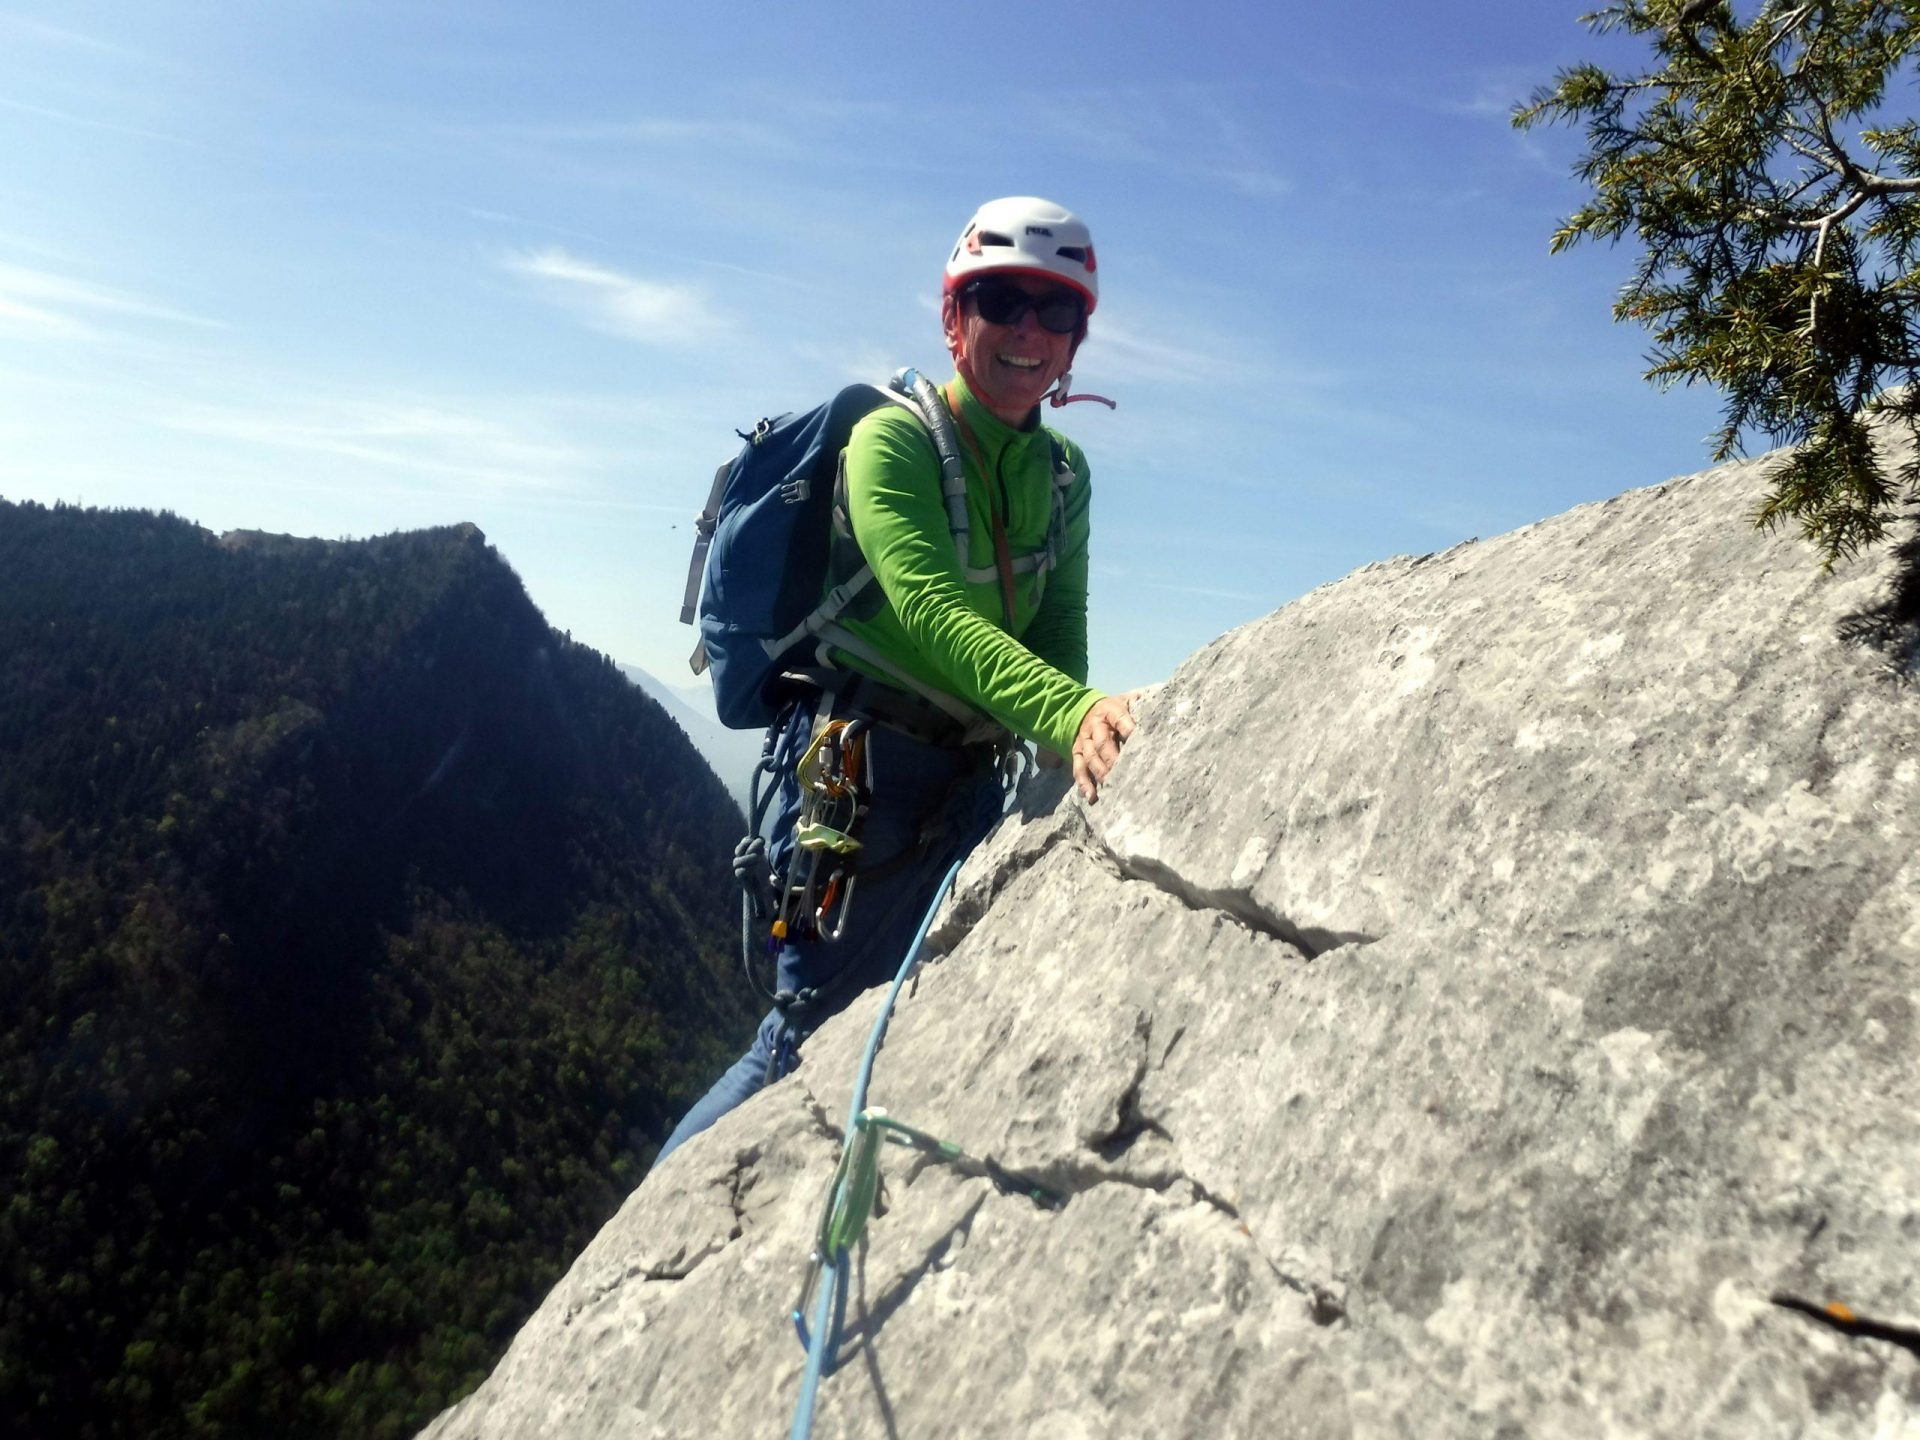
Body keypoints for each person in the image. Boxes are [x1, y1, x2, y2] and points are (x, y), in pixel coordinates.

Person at [652, 196, 1134, 1166]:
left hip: (967, 782)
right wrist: (1069, 711)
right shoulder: (893, 441)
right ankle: (639, 1256)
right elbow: (928, 608)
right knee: (802, 1039)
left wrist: (1064, 736)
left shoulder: (1065, 475)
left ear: (1076, 340)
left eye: (1056, 310)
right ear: (955, 317)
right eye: (1001, 300)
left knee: (909, 1017)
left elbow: (1058, 626)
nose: (1030, 330)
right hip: (854, 775)